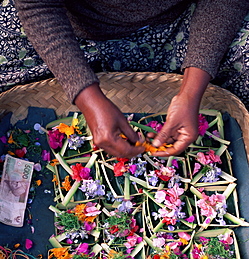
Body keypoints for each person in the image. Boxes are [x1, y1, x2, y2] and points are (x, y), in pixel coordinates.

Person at [3, 1, 249, 158]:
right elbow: (35, 5)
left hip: (175, 28)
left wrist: (191, 92)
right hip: (69, 29)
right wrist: (86, 96)